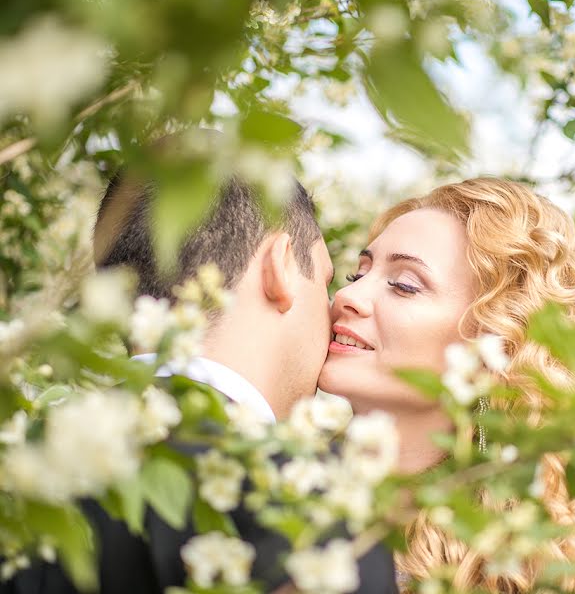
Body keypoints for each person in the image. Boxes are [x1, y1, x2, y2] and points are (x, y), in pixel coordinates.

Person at [2, 145, 398, 593]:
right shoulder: (309, 509)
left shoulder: (23, 458)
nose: (335, 309)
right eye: (326, 281)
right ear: (281, 266)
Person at [317, 177, 575, 592]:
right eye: (359, 272)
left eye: (404, 285)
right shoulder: (273, 488)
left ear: (494, 345)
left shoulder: (534, 567)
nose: (347, 295)